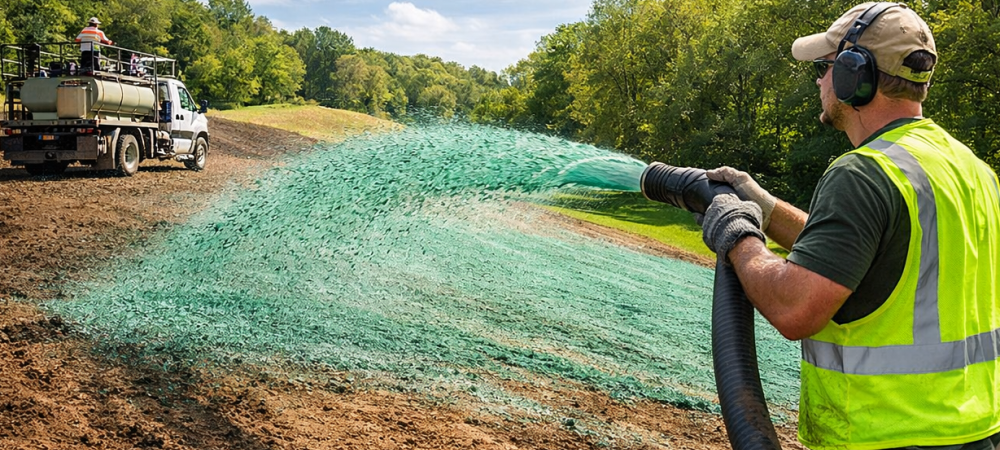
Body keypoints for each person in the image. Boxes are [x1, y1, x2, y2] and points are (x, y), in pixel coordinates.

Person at [698, 2, 1000, 450]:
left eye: (824, 68)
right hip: (973, 432)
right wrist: (766, 206)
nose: (819, 81)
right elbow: (865, 260)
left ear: (852, 73)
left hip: (885, 435)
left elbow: (795, 307)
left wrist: (737, 233)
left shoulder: (862, 173)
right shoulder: (973, 170)